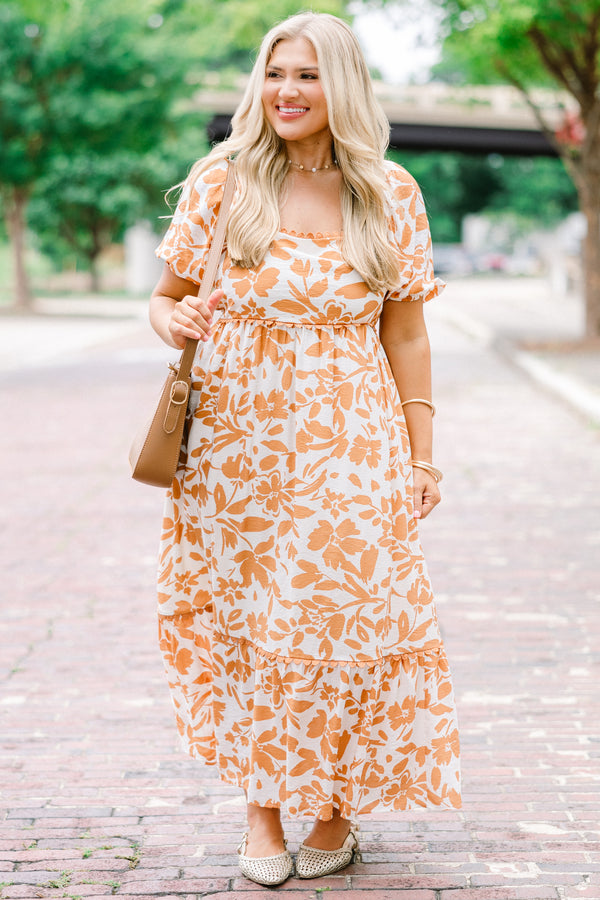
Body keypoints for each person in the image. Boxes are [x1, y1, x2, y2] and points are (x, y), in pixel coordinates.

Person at [149, 11, 460, 887]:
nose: (287, 91)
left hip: (353, 441)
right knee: (253, 626)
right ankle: (262, 811)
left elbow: (406, 336)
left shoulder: (388, 192)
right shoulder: (224, 180)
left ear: (343, 87)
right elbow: (164, 298)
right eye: (276, 73)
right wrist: (174, 318)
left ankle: (332, 808)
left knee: (344, 622)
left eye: (308, 75)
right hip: (237, 450)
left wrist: (422, 454)